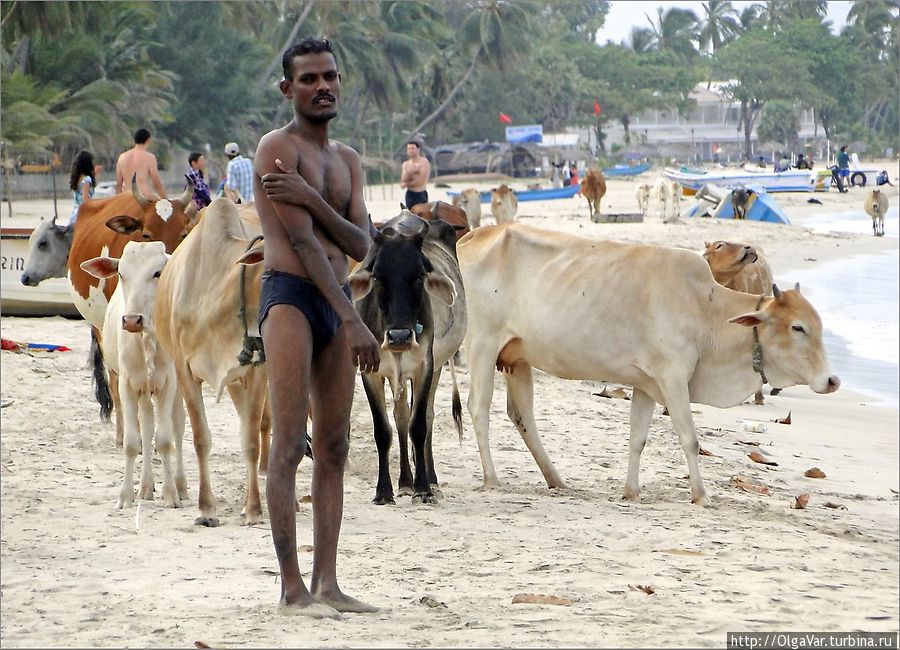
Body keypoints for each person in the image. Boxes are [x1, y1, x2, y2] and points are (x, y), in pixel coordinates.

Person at [252, 36, 380, 619]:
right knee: (289, 445)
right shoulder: (276, 148)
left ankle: (328, 582)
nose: (322, 85)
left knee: (334, 444)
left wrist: (313, 198)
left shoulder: (348, 159)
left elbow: (362, 243)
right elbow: (302, 243)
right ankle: (291, 588)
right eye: (308, 79)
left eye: (329, 76)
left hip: (338, 304)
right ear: (288, 88)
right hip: (291, 300)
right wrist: (354, 320)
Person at [115, 128, 167, 197]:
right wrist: (165, 200)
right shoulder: (149, 157)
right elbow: (157, 184)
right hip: (144, 198)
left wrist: (119, 202)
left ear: (134, 140)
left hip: (126, 198)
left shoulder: (122, 157)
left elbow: (119, 184)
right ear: (148, 140)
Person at [399, 140, 430, 209]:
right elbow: (403, 182)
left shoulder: (424, 162)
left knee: (422, 216)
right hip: (409, 194)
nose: (411, 150)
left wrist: (407, 184)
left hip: (420, 193)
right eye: (409, 149)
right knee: (409, 215)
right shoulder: (406, 164)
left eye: (413, 148)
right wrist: (411, 172)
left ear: (418, 150)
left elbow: (421, 181)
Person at [68, 150, 96, 225]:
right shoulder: (87, 180)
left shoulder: (77, 179)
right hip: (83, 215)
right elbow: (85, 200)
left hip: (74, 214)